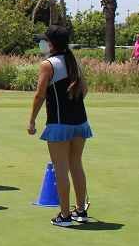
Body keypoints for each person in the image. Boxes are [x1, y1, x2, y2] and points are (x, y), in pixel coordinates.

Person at [27, 25, 92, 227]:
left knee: (61, 169)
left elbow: (39, 95)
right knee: (76, 165)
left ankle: (64, 216)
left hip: (58, 122)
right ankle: (80, 211)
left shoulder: (48, 64)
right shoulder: (73, 61)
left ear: (52, 43)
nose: (43, 43)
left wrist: (31, 120)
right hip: (80, 121)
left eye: (46, 40)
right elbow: (85, 89)